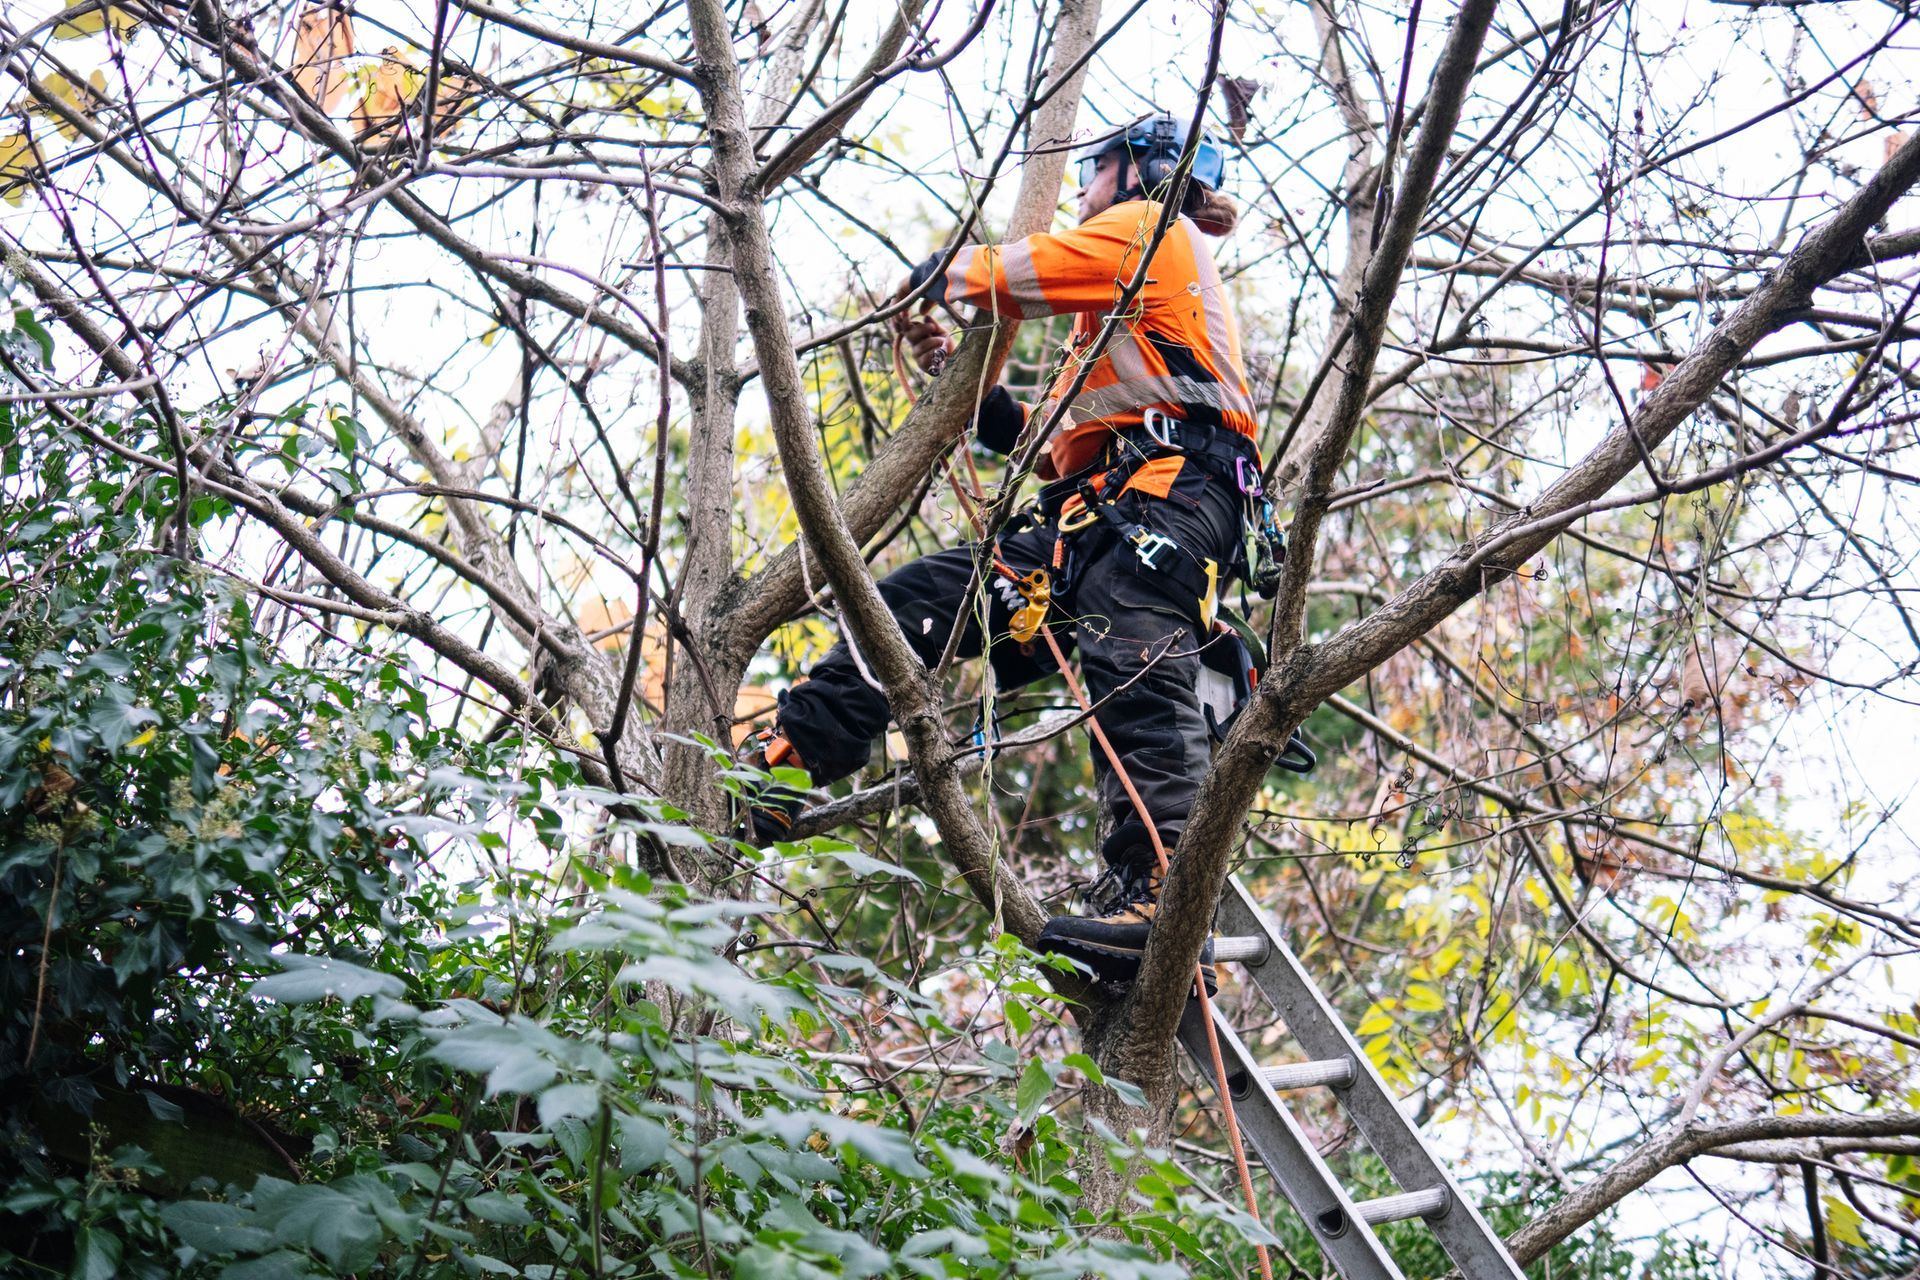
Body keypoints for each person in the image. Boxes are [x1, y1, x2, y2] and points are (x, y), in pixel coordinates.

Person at [745, 111, 1274, 987]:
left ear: (1132, 172)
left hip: (1181, 497)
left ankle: (1165, 894)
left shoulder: (1149, 232)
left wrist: (942, 277)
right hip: (1096, 522)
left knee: (1131, 645)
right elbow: (1044, 443)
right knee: (912, 608)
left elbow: (1010, 271)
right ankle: (782, 768)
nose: (1082, 193)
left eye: (1093, 173)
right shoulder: (1108, 320)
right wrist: (961, 362)